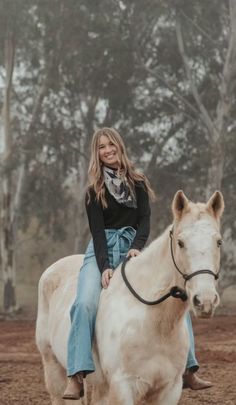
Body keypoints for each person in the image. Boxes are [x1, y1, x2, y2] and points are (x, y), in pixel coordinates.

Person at [63, 127, 211, 400]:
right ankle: (77, 373)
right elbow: (97, 231)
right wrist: (105, 265)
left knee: (176, 294)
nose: (107, 150)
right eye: (101, 147)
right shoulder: (93, 191)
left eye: (111, 145)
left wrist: (136, 248)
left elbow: (144, 220)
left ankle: (188, 368)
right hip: (102, 250)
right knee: (83, 303)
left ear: (119, 146)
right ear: (96, 153)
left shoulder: (138, 183)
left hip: (133, 249)